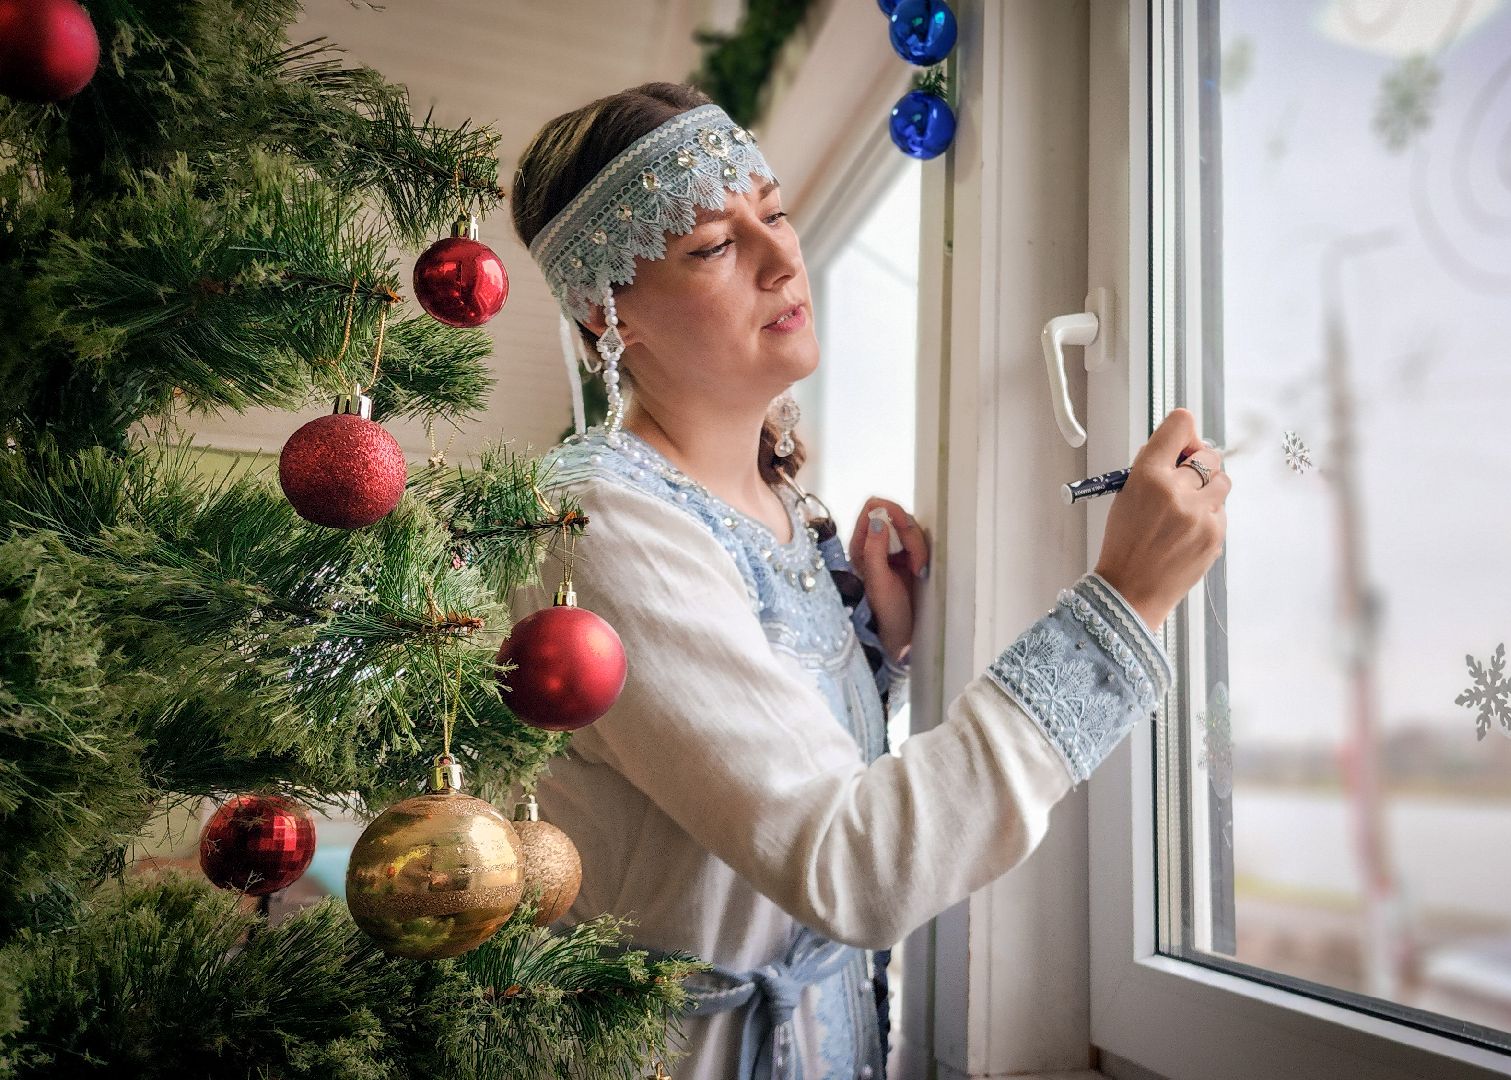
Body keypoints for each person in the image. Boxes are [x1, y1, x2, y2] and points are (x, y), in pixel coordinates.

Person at [506, 81, 1230, 1080]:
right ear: (603, 309)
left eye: (776, 212)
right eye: (714, 245)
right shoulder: (597, 520)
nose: (778, 257)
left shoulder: (783, 500)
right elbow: (854, 865)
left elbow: (754, 776)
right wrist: (1122, 603)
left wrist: (875, 651)